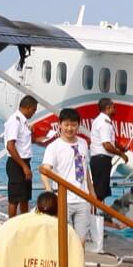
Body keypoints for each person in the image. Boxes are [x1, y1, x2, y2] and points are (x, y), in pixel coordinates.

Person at [41, 106, 100, 253]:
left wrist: (91, 192)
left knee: (80, 242)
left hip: (82, 199)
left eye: (73, 125)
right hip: (63, 200)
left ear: (78, 125)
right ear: (59, 124)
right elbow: (45, 171)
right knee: (63, 241)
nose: (70, 128)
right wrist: (49, 190)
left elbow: (85, 169)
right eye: (66, 124)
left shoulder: (83, 143)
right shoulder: (54, 147)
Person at [1, 95, 40, 218]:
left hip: (24, 161)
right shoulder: (15, 121)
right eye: (34, 110)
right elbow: (10, 146)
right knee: (14, 198)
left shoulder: (23, 122)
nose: (34, 113)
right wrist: (24, 167)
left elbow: (24, 141)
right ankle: (11, 224)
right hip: (16, 162)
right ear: (28, 108)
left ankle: (24, 222)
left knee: (24, 196)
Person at [88, 96, 128, 216]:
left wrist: (121, 147)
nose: (115, 109)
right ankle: (92, 219)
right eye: (113, 107)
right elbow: (106, 145)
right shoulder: (105, 123)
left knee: (100, 191)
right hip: (101, 160)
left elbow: (111, 140)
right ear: (108, 108)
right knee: (98, 194)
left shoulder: (100, 121)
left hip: (99, 160)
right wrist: (121, 154)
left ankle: (94, 218)